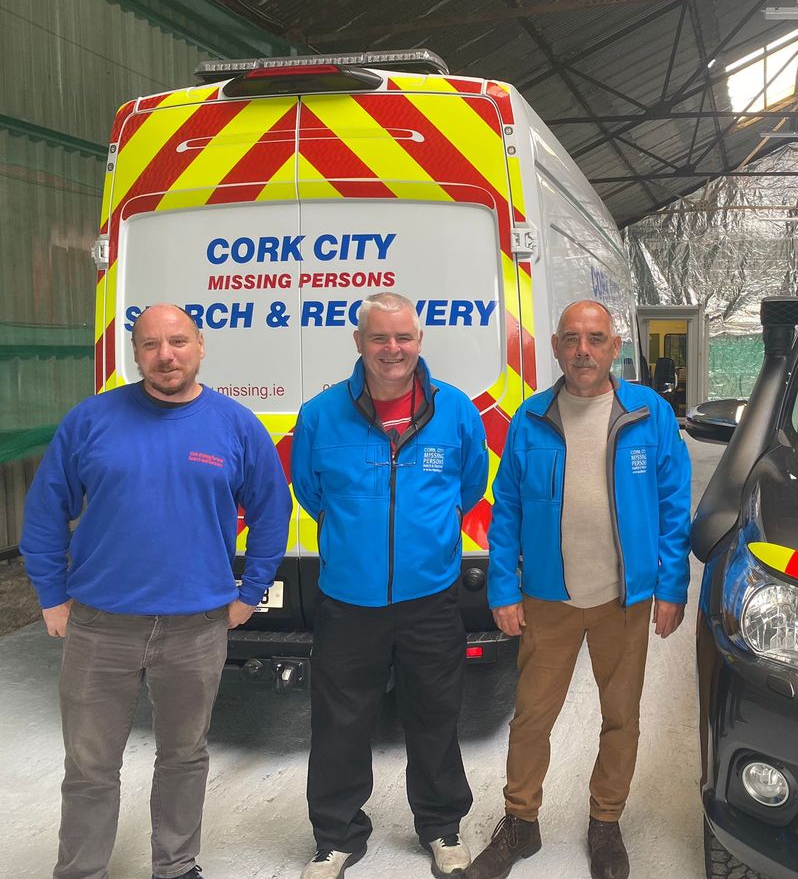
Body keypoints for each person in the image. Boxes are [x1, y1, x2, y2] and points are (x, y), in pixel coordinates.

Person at [20, 303, 292, 879]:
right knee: (90, 766)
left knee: (183, 756)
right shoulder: (90, 421)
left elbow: (273, 511)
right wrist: (50, 594)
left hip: (196, 628)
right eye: (150, 344)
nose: (165, 355)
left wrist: (252, 590)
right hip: (99, 626)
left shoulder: (236, 424)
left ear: (200, 345)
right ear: (135, 352)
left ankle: (175, 865)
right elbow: (46, 512)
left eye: (177, 342)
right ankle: (80, 870)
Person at [467, 300, 691, 879]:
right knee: (531, 717)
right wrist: (503, 587)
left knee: (621, 715)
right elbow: (508, 508)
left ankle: (605, 823)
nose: (582, 350)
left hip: (625, 600)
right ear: (557, 348)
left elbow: (673, 505)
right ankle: (521, 821)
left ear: (616, 347)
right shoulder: (532, 418)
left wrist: (671, 584)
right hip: (548, 599)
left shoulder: (649, 414)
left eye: (595, 339)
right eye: (571, 339)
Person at [290, 292, 488, 879]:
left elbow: (470, 486)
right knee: (339, 722)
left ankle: (442, 828)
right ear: (359, 343)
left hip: (430, 597)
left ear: (419, 342)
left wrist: (426, 538)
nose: (392, 349)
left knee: (434, 716)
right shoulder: (321, 415)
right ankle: (336, 837)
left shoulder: (455, 412)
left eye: (403, 337)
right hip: (349, 600)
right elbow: (310, 491)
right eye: (379, 338)